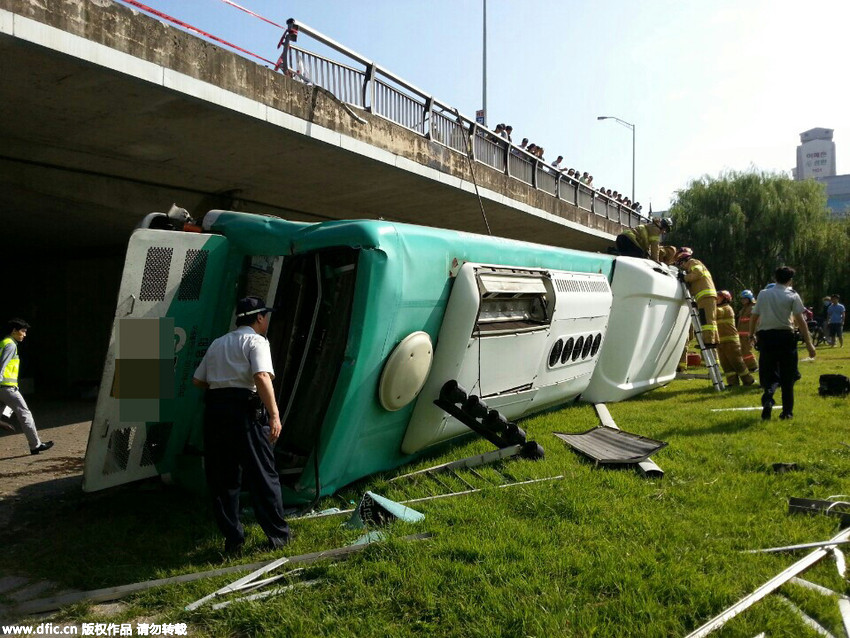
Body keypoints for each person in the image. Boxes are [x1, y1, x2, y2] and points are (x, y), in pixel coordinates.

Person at [193, 297, 291, 554]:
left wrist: (223, 383)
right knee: (262, 475)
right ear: (259, 318)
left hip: (215, 412)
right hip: (244, 412)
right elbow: (260, 376)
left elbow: (198, 380)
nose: (267, 320)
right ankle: (278, 537)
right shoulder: (256, 341)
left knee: (223, 479)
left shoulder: (218, 343)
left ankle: (233, 540)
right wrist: (274, 415)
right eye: (265, 316)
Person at [750, 266, 816, 420]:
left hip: (766, 337)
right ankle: (787, 412)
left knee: (770, 373)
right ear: (790, 280)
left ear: (775, 278)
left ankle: (768, 398)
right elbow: (801, 321)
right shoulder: (792, 295)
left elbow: (754, 316)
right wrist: (809, 343)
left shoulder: (763, 294)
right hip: (785, 337)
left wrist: (751, 335)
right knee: (787, 376)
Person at [0, 319, 53, 455]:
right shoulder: (11, 345)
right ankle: (35, 445)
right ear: (14, 331)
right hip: (7, 387)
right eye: (23, 331)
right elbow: (2, 367)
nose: (24, 334)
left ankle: (2, 419)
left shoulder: (3, 343)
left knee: (8, 408)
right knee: (25, 413)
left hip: (5, 389)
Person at [676, 247, 719, 347]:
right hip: (704, 297)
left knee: (707, 320)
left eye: (681, 263)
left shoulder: (693, 262)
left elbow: (698, 273)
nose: (682, 266)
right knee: (708, 318)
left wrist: (684, 278)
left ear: (684, 260)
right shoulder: (691, 264)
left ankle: (709, 341)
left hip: (706, 295)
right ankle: (713, 340)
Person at [715, 291, 755, 386]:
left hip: (731, 341)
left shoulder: (726, 309)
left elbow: (714, 313)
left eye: (718, 297)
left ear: (725, 299)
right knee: (726, 364)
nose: (716, 299)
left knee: (737, 363)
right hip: (721, 341)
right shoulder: (717, 309)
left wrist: (705, 305)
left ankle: (748, 380)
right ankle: (732, 383)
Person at [737, 290, 758, 373]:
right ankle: (748, 366)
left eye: (745, 299)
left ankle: (753, 366)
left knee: (747, 351)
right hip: (742, 334)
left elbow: (755, 322)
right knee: (743, 351)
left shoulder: (752, 308)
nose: (743, 300)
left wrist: (753, 333)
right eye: (742, 299)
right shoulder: (744, 309)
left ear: (749, 298)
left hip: (748, 334)